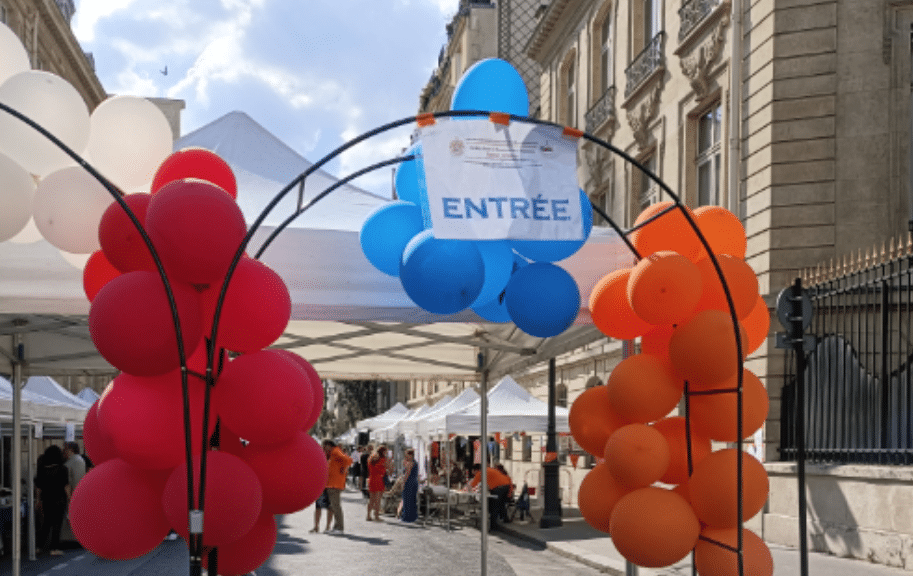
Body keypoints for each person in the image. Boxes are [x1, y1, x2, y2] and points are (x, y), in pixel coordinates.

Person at [35, 445, 69, 555]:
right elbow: (66, 486)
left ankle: (39, 546)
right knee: (57, 524)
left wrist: (38, 500)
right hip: (59, 498)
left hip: (46, 498)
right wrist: (70, 498)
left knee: (46, 523)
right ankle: (54, 548)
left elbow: (38, 487)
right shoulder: (63, 469)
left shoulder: (42, 469)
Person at [468, 463, 511, 529]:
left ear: (476, 470)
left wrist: (467, 490)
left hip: (499, 487)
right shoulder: (489, 469)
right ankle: (505, 519)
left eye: (473, 471)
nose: (473, 473)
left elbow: (473, 485)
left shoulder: (480, 473)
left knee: (494, 505)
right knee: (501, 503)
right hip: (506, 485)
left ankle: (493, 524)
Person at [322, 439, 352, 534]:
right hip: (332, 483)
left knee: (336, 506)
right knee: (334, 506)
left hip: (335, 484)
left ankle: (339, 528)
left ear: (328, 445)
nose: (323, 448)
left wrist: (344, 469)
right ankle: (336, 527)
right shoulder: (333, 452)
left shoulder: (335, 451)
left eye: (324, 446)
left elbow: (348, 460)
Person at [366, 445, 390, 521]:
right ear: (383, 451)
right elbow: (388, 468)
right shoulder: (383, 459)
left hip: (371, 479)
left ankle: (368, 515)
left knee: (371, 499)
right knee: (378, 499)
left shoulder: (371, 458)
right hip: (378, 480)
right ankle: (376, 516)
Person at [397, 448, 418, 522]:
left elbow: (407, 474)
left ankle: (407, 517)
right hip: (414, 482)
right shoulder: (414, 462)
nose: (405, 456)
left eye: (407, 455)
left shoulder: (410, 463)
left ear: (411, 455)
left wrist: (403, 483)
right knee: (412, 500)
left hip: (409, 483)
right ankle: (412, 517)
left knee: (407, 500)